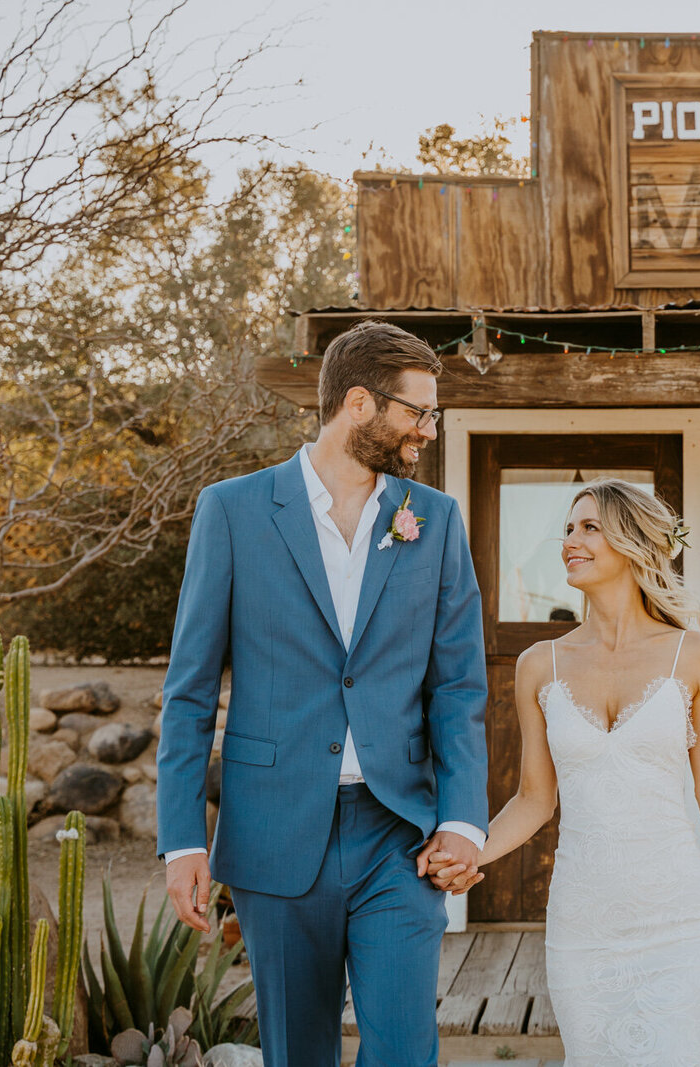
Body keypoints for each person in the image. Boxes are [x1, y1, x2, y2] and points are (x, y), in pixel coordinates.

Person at [156, 320, 488, 1067]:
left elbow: (459, 686)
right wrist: (182, 839)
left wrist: (464, 818)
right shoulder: (233, 510)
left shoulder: (434, 522)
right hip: (274, 831)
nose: (429, 429)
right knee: (298, 1051)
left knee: (404, 1052)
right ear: (360, 404)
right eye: (419, 411)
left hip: (396, 831)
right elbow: (190, 690)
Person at [430, 478, 700, 1066]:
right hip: (583, 924)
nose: (571, 539)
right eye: (569, 528)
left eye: (589, 527)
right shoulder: (537, 665)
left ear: (634, 542)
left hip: (681, 922)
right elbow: (534, 799)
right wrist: (471, 853)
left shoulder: (693, 655)